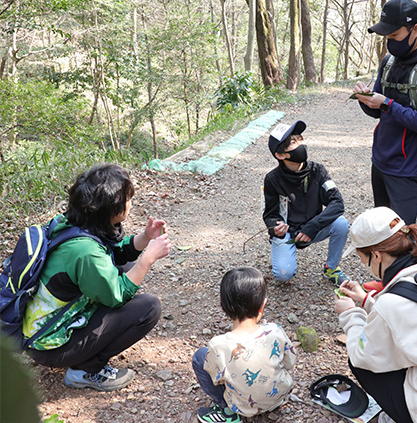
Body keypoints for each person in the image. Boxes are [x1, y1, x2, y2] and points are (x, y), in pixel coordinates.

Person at [23, 163, 171, 391]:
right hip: (51, 345)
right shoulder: (85, 251)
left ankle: (82, 352)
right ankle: (86, 369)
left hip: (41, 328)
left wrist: (144, 238)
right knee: (148, 308)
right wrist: (147, 259)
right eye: (128, 199)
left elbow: (110, 250)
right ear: (112, 209)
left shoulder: (74, 222)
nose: (130, 203)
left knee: (126, 266)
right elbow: (117, 295)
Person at [334, 207, 417, 423]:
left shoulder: (392, 304)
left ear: (376, 255)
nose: (362, 264)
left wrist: (350, 314)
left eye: (361, 257)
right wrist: (366, 300)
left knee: (359, 362)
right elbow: (410, 314)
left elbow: (363, 354)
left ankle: (404, 416)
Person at [352, 0, 417, 225]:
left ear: (415, 30)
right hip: (380, 161)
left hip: (407, 167)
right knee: (382, 231)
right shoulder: (389, 61)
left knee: (401, 236)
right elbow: (378, 112)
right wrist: (366, 98)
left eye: (394, 36)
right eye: (386, 37)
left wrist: (386, 104)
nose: (390, 42)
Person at [191, 267, 296, 422]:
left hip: (242, 407)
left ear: (222, 305)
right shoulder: (275, 331)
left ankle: (227, 411)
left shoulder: (219, 345)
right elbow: (289, 362)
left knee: (200, 357)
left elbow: (216, 377)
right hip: (278, 397)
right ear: (262, 305)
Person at [263, 120, 351, 285]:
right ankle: (282, 251)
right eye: (293, 143)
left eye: (301, 139)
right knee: (284, 274)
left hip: (314, 227)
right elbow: (270, 214)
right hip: (289, 234)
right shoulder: (272, 179)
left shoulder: (318, 171)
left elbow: (337, 202)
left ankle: (331, 268)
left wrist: (313, 226)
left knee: (341, 224)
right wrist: (275, 227)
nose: (301, 145)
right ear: (280, 155)